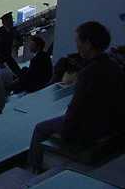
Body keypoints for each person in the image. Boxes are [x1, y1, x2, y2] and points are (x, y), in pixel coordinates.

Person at [28, 22, 125, 171]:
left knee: (40, 128)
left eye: (78, 41)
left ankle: (33, 170)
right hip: (108, 125)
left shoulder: (88, 73)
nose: (77, 45)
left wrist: (66, 133)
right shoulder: (114, 67)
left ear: (88, 44)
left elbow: (75, 110)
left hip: (88, 130)